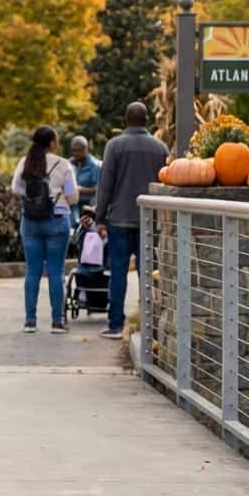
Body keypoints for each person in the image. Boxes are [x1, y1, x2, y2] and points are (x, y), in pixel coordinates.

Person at [92, 102, 168, 340]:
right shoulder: (160, 148)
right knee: (150, 274)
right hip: (151, 221)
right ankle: (150, 324)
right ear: (147, 119)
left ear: (125, 119)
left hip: (120, 219)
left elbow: (105, 185)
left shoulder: (114, 146)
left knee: (118, 273)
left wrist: (100, 218)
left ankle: (116, 325)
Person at [10, 126, 78, 334]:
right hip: (57, 220)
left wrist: (32, 200)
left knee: (32, 271)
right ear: (51, 143)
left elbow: (16, 189)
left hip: (30, 221)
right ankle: (57, 322)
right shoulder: (63, 164)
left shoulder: (26, 162)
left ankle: (30, 321)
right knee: (56, 272)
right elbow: (73, 196)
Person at [67, 135, 101, 229]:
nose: (76, 153)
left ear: (86, 149)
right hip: (71, 209)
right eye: (73, 150)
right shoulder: (69, 164)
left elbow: (101, 189)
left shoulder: (96, 166)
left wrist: (81, 189)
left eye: (79, 150)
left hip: (88, 211)